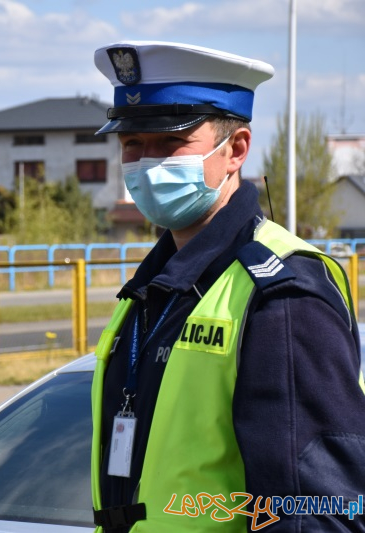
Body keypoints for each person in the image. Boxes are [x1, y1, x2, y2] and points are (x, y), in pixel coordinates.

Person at [89, 41, 365, 532]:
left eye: (171, 143)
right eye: (132, 143)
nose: (145, 163)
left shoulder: (281, 294)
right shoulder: (154, 286)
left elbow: (316, 513)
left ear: (235, 149)